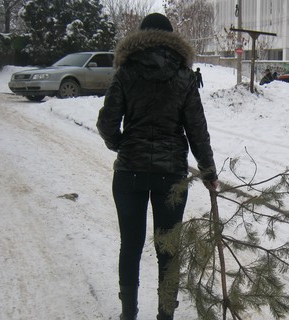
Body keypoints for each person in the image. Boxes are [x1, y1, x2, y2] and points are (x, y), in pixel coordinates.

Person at [96, 13, 218, 320]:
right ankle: (166, 315)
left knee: (131, 245)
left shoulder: (126, 72)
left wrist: (122, 145)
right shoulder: (184, 76)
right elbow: (197, 130)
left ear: (140, 37)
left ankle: (128, 314)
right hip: (171, 176)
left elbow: (106, 123)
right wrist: (208, 172)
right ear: (171, 39)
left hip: (129, 173)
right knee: (169, 249)